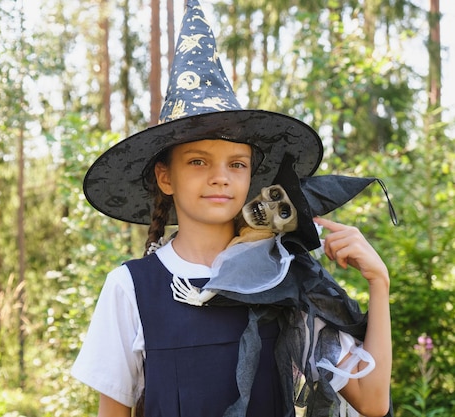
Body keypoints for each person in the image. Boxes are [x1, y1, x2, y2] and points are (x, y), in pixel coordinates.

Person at [72, 1, 393, 416]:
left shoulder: (284, 274)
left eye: (236, 164)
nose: (220, 177)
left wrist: (378, 283)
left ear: (250, 179)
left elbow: (371, 399)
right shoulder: (131, 288)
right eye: (198, 161)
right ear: (165, 177)